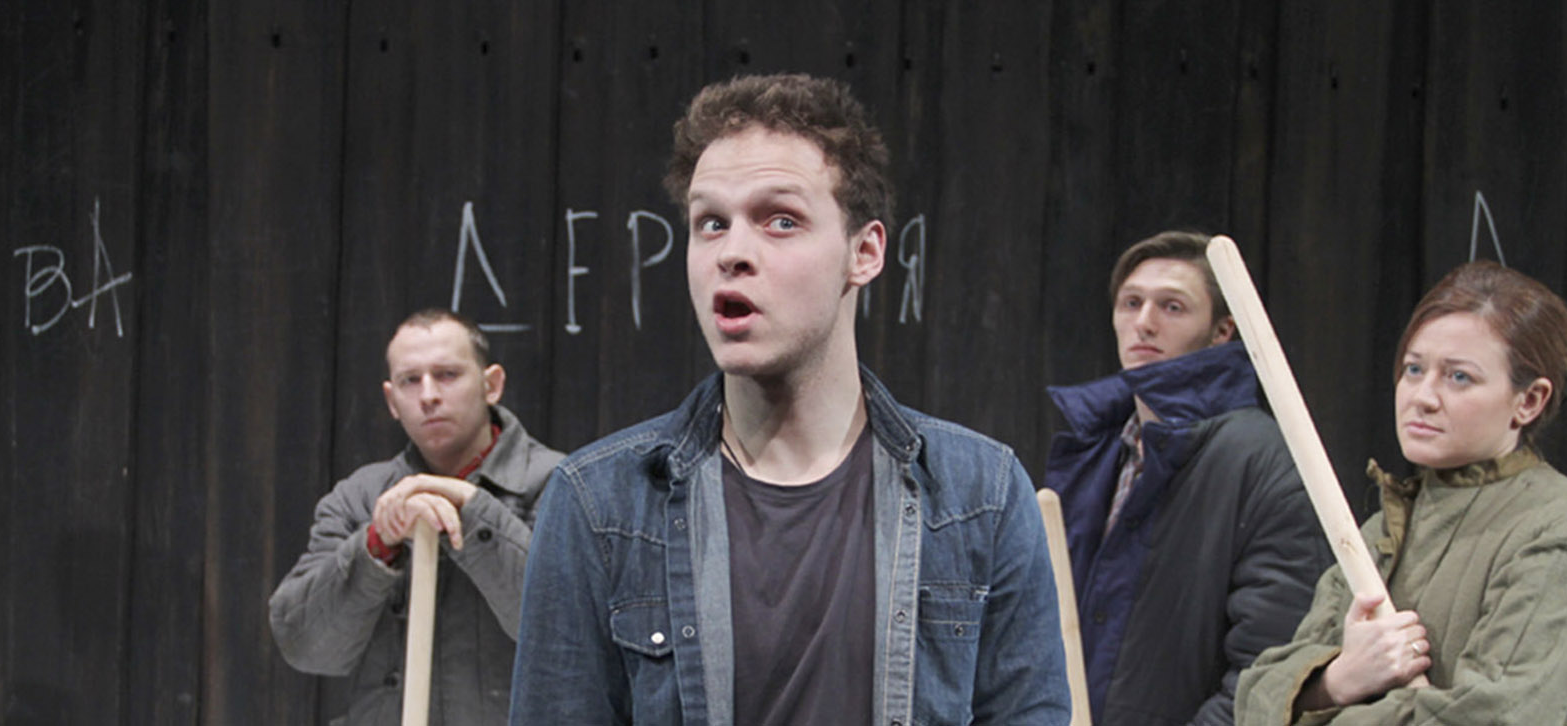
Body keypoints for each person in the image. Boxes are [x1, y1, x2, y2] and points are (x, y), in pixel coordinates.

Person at [508, 73, 1070, 725]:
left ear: (864, 252)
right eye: (711, 223)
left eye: (780, 220)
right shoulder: (599, 503)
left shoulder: (982, 495)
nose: (732, 253)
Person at [1236, 261, 1567, 724]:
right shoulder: (1379, 534)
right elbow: (1257, 696)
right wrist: (1338, 680)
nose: (1422, 397)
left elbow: (1499, 715)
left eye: (1459, 377)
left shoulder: (1552, 529)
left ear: (1528, 401)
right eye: (1414, 369)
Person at [1044, 231, 1331, 725]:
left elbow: (1270, 669)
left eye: (1172, 306)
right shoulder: (1095, 452)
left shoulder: (1260, 459)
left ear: (1222, 331)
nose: (1144, 322)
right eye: (1131, 303)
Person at [269, 309, 564, 724]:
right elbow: (306, 646)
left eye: (447, 375)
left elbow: (565, 629)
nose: (428, 395)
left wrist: (474, 514)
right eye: (410, 380)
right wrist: (375, 546)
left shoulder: (562, 486)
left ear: (492, 384)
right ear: (392, 400)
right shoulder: (359, 497)